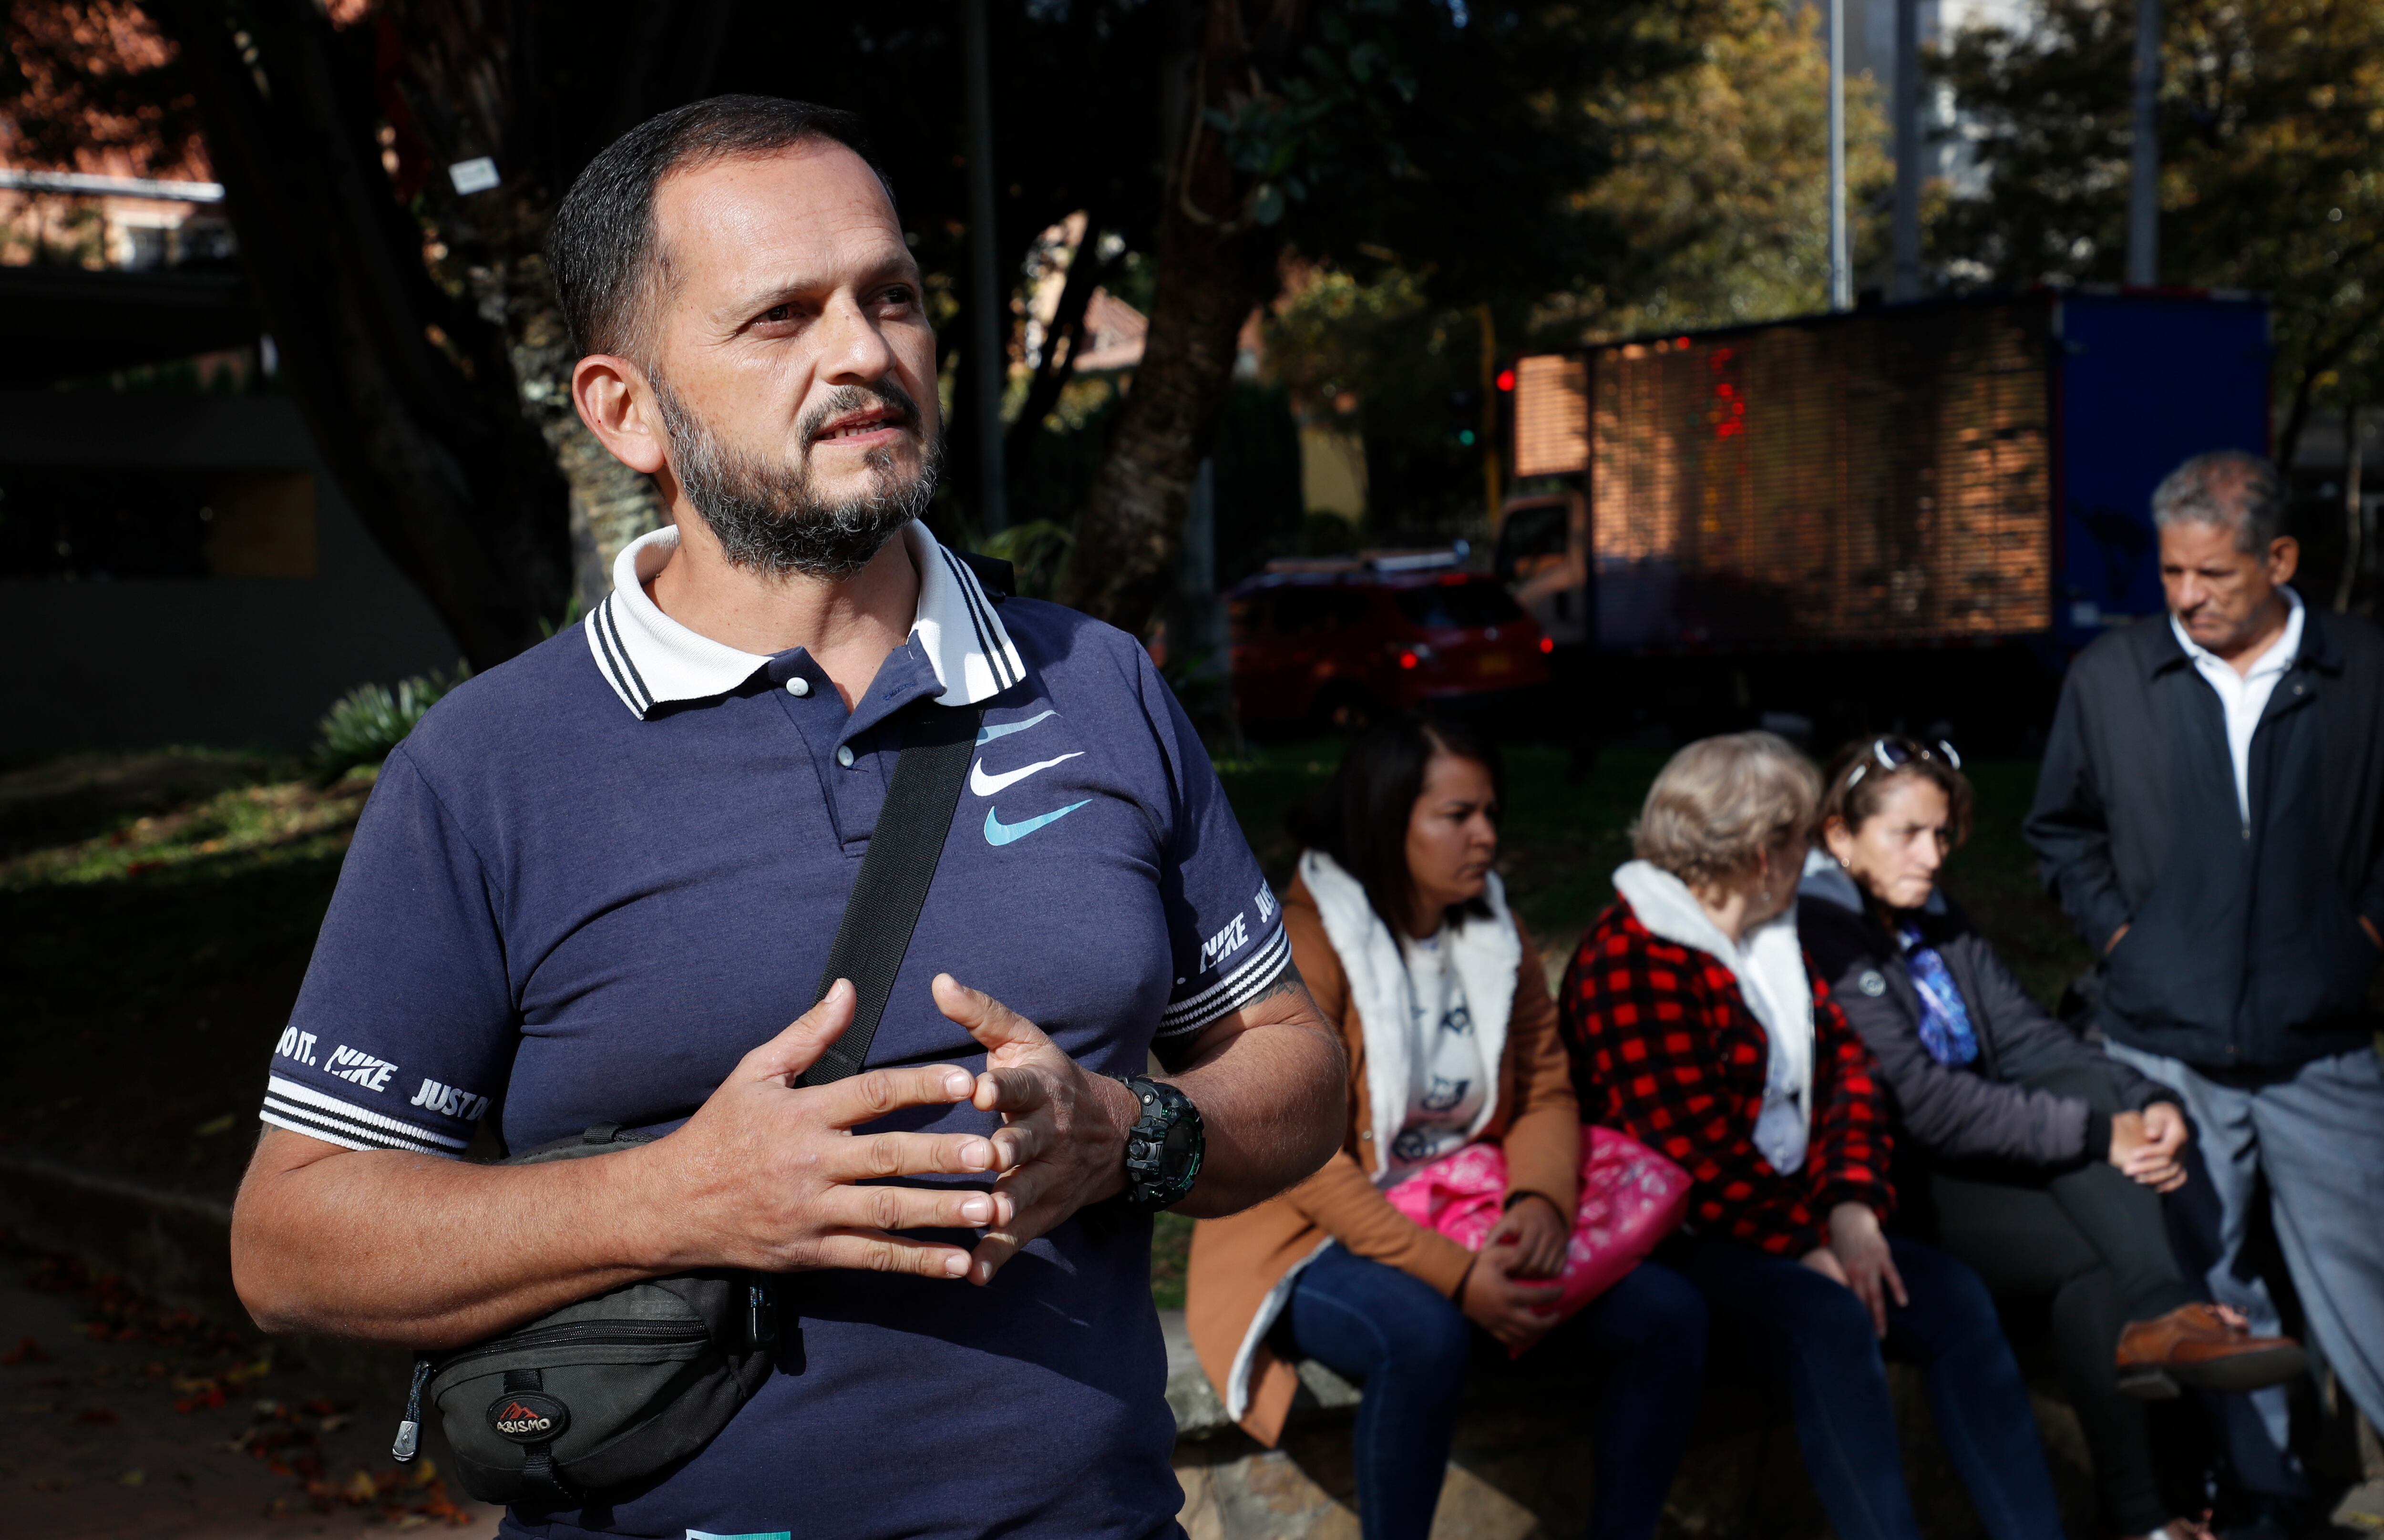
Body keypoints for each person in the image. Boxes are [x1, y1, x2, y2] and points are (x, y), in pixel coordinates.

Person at [226, 97, 1346, 1540]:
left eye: (893, 297)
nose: (864, 352)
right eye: (781, 317)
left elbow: (1292, 1063)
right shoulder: (488, 767)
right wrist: (680, 1197)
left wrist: (1130, 1129)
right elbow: (290, 1240)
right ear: (625, 410)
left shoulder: (1099, 684)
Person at [1187, 715, 1707, 1540]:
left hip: (1473, 1209)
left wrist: (1539, 1204)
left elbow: (1545, 1086)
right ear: (1388, 819)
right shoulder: (1305, 939)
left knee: (1668, 1314)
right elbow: (1304, 1155)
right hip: (1308, 1231)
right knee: (1422, 1335)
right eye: (1458, 815)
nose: (1486, 835)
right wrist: (1460, 1278)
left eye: (1491, 813)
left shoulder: (1497, 929)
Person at [1560, 732, 2066, 1540]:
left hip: (1799, 1216)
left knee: (1950, 1295)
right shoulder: (1632, 955)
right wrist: (1801, 1242)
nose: (1814, 856)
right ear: (1764, 852)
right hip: (1681, 1238)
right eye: (1803, 837)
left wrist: (1852, 1205)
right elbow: (1688, 1150)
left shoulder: (1770, 937)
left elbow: (1849, 1076)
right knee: (1829, 1317)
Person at [1801, 735, 2307, 1540]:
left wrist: (2144, 1098)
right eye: (1908, 834)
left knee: (2092, 1190)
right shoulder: (1823, 933)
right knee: (2093, 1181)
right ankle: (2165, 1348)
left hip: (1983, 1174)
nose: (1933, 856)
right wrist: (2100, 1133)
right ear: (1839, 835)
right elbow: (1921, 1103)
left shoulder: (1935, 919)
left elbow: (2032, 1039)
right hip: (1892, 1189)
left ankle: (2149, 1502)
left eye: (1943, 834)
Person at [2027, 449, 2384, 1531]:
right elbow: (2059, 831)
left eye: (2213, 574)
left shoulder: (2366, 668)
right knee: (2219, 1301)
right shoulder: (2111, 675)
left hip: (2323, 1046)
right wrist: (2125, 938)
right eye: (2171, 573)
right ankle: (2265, 1502)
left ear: (2279, 559)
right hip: (2163, 1044)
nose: (2186, 597)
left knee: (2368, 1278)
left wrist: (2361, 937)